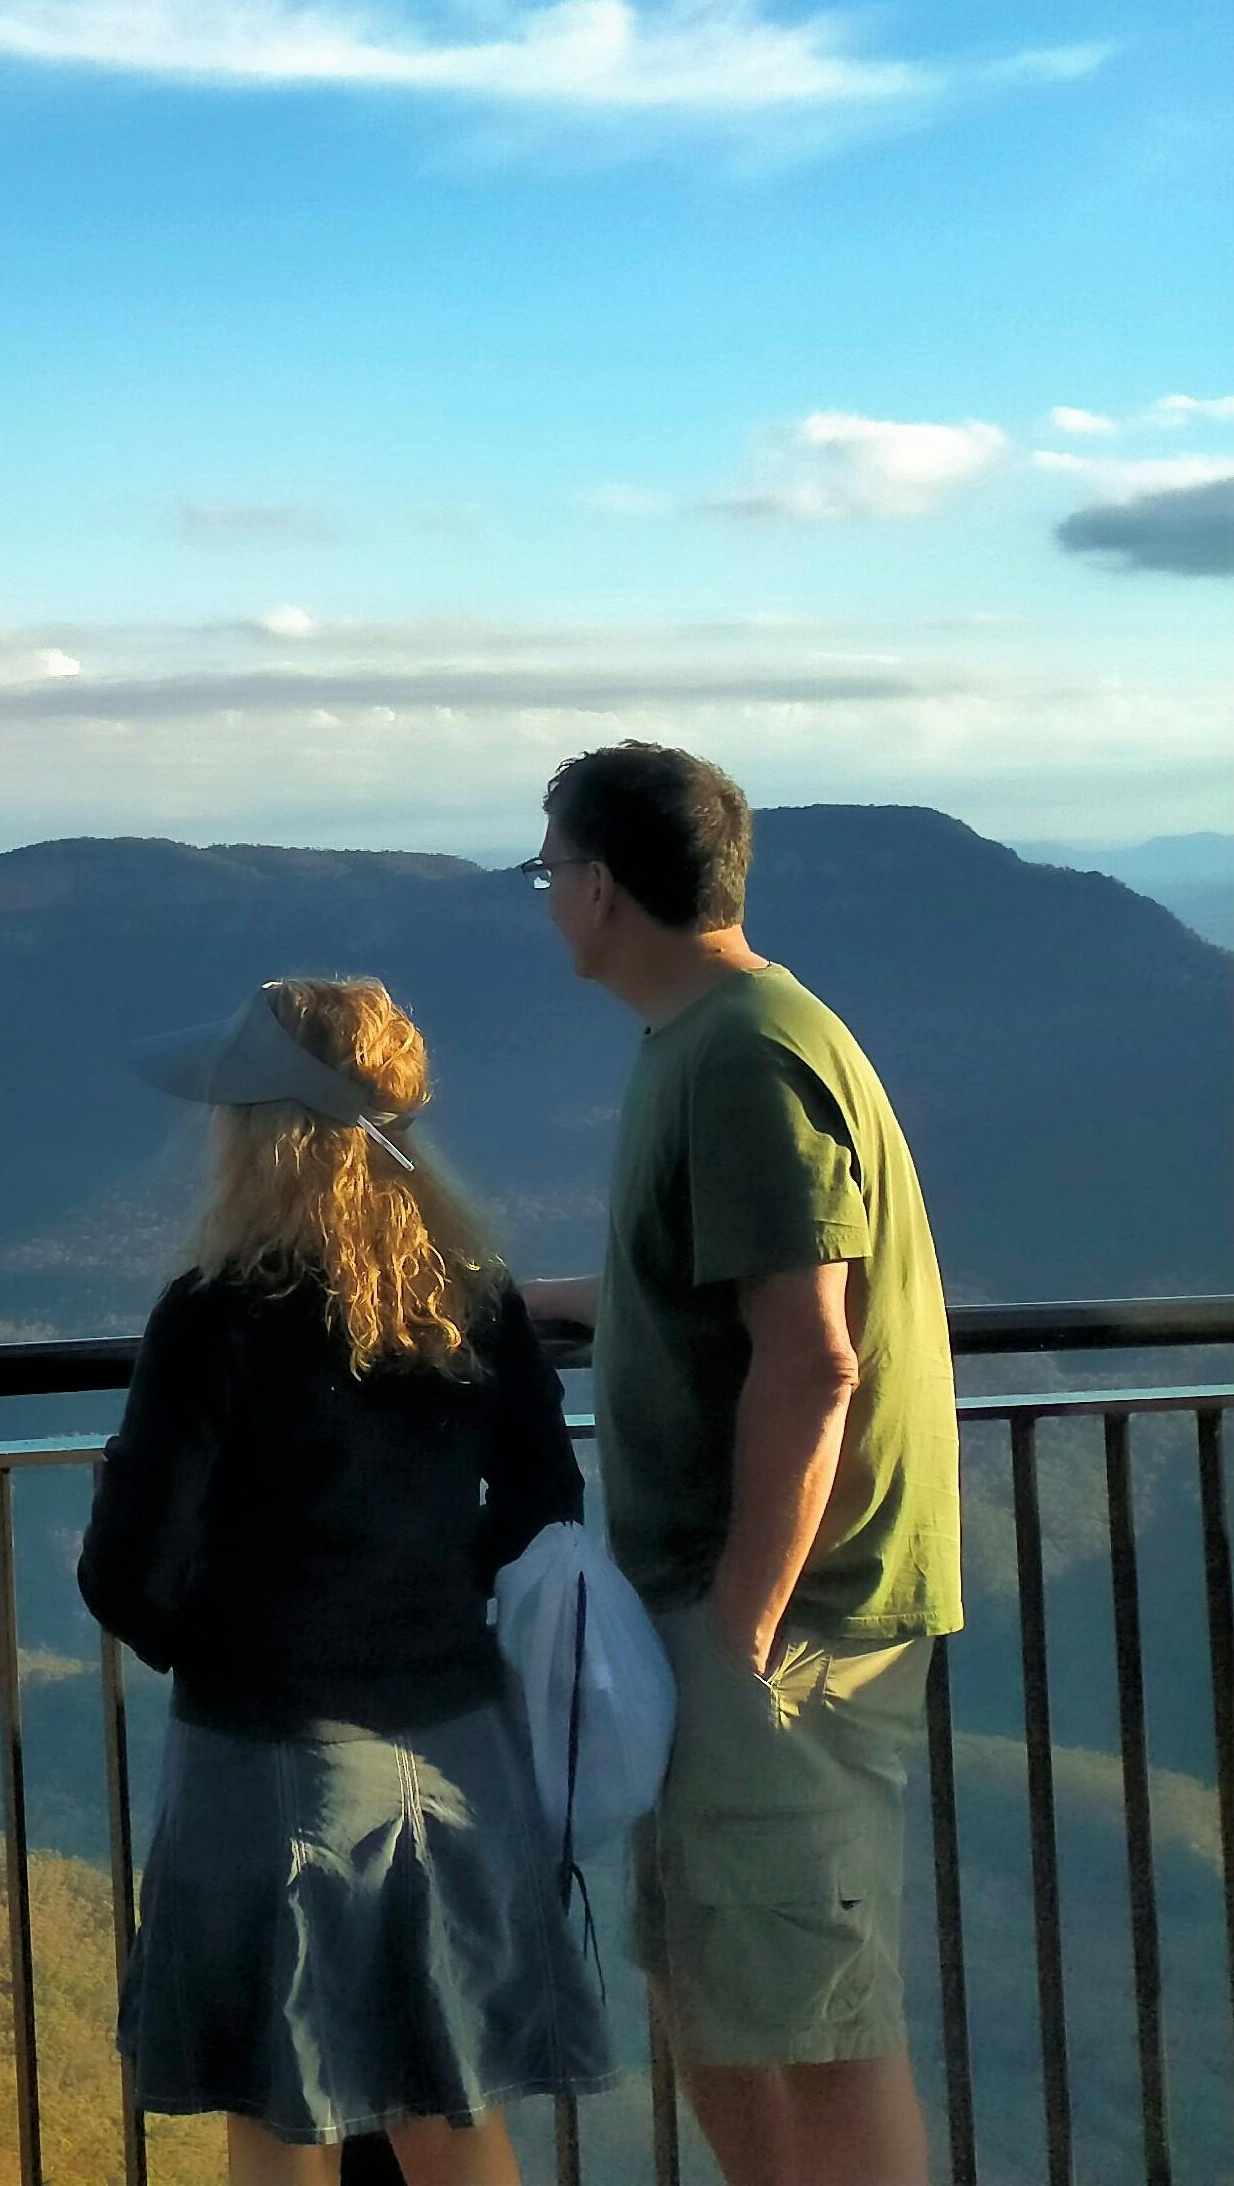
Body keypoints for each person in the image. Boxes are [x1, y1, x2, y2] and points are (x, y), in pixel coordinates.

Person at [82, 977, 613, 2186]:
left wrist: (236, 1636)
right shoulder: (470, 1293)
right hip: (457, 1741)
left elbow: (129, 1576)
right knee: (450, 2100)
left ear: (262, 1133)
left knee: (289, 2111)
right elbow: (543, 1504)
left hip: (273, 1757)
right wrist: (425, 1606)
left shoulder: (215, 1315)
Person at [522, 744, 959, 2186]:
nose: (548, 897)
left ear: (600, 888)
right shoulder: (711, 1041)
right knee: (722, 2005)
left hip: (786, 1625)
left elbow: (813, 1356)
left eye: (548, 870)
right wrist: (520, 1304)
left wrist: (744, 1623)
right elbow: (710, 1290)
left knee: (814, 2032)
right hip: (736, 1619)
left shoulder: (746, 1058)